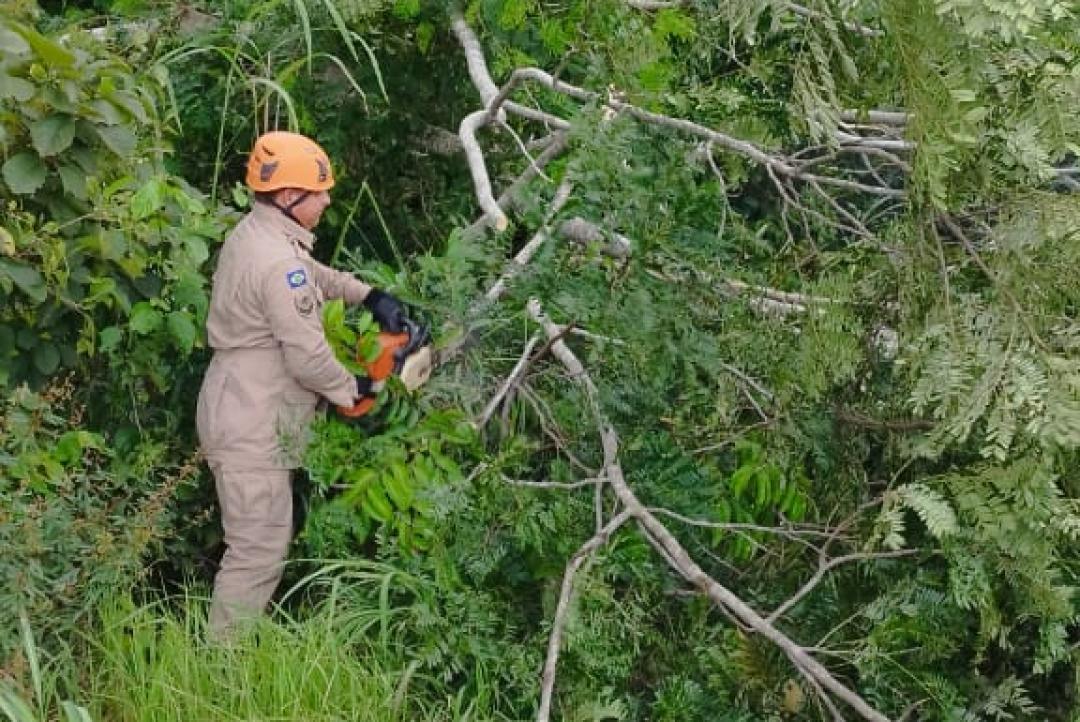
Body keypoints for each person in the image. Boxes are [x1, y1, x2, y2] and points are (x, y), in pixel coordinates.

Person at [195, 130, 405, 637]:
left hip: (238, 402)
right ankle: (221, 674)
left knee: (255, 544)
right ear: (289, 198)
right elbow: (309, 356)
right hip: (252, 420)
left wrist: (369, 296)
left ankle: (225, 659)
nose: (328, 199)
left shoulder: (258, 234)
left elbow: (309, 272)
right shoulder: (277, 263)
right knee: (257, 553)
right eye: (319, 191)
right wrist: (356, 390)